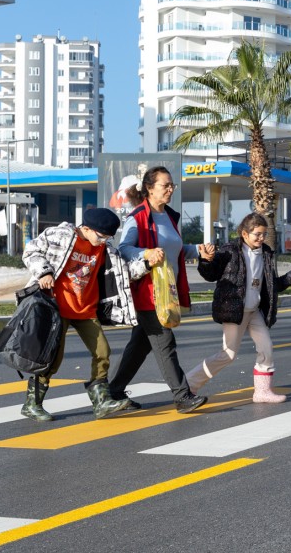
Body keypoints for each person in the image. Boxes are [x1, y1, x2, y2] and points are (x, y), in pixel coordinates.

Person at [19, 207, 137, 422]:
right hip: (58, 309)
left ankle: (101, 402)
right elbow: (31, 251)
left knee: (102, 351)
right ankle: (32, 403)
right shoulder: (59, 236)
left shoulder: (105, 250)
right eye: (101, 236)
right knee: (52, 358)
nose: (103, 241)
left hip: (86, 309)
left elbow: (123, 273)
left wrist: (147, 263)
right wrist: (44, 271)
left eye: (108, 238)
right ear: (85, 228)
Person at [106, 166, 207, 413]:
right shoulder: (137, 217)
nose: (171, 189)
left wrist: (198, 250)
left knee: (140, 345)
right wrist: (146, 253)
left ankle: (114, 392)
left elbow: (175, 249)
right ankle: (182, 396)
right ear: (150, 189)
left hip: (166, 289)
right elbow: (124, 249)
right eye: (166, 185)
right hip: (147, 291)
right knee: (165, 342)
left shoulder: (170, 216)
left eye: (172, 185)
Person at [186, 212, 291, 403]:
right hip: (235, 311)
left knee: (266, 347)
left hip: (255, 311)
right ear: (244, 234)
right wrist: (206, 259)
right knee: (228, 355)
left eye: (263, 234)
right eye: (257, 234)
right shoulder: (229, 251)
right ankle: (189, 384)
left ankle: (262, 391)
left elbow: (272, 285)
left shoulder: (266, 253)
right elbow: (210, 275)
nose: (261, 238)